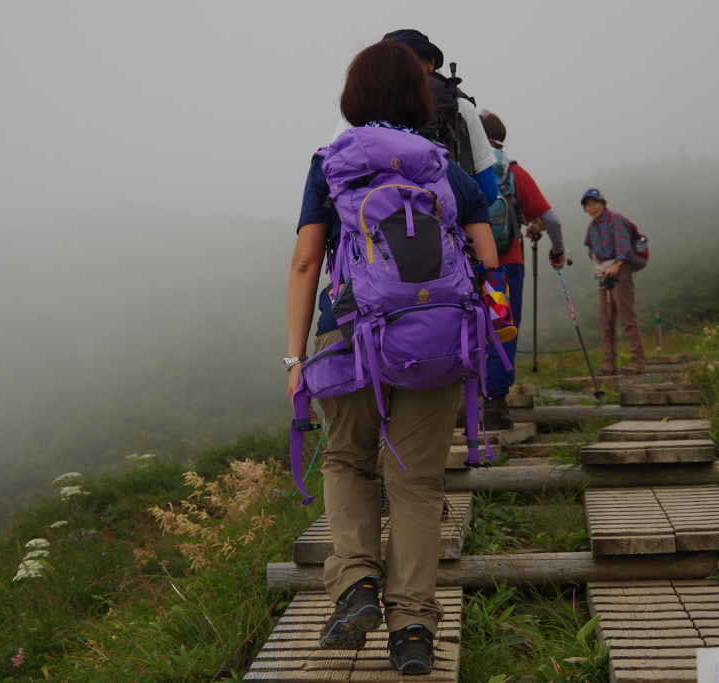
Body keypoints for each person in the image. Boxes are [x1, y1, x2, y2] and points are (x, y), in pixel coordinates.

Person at [287, 40, 498, 675]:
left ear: (352, 99)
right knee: (417, 483)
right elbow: (488, 262)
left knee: (349, 461)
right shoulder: (443, 167)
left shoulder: (331, 164)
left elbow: (304, 261)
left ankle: (355, 586)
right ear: (418, 98)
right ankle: (412, 630)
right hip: (434, 342)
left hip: (348, 334)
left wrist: (294, 357)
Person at [331, 29, 499, 207]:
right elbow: (487, 193)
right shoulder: (460, 107)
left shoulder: (360, 111)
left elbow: (333, 181)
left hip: (368, 225)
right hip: (446, 227)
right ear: (431, 64)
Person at [478, 111, 566, 429]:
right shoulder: (513, 172)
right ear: (502, 138)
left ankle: (460, 401)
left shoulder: (458, 169)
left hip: (463, 268)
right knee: (502, 330)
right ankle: (495, 407)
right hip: (504, 268)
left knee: (466, 328)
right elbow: (552, 220)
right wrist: (557, 250)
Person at [581, 188, 646, 375]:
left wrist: (617, 264)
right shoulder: (592, 226)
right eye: (587, 205)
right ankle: (610, 363)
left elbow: (623, 245)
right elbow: (589, 246)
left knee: (627, 318)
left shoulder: (615, 219)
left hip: (620, 270)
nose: (591, 207)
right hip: (603, 272)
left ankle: (637, 360)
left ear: (603, 203)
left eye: (594, 203)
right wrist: (594, 256)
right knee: (606, 320)